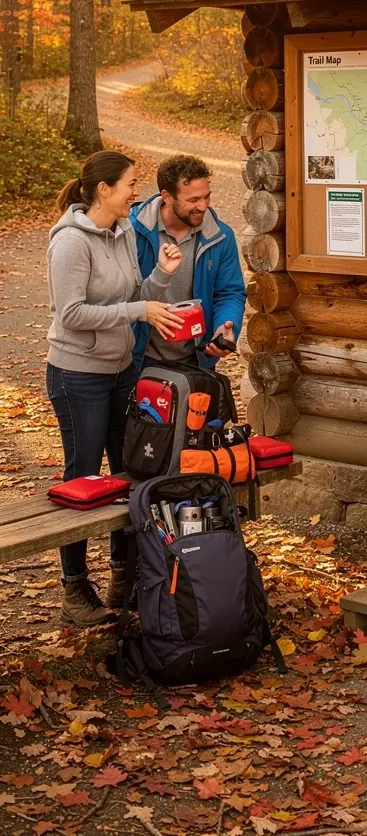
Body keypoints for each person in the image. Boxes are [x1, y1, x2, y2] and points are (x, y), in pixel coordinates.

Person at [47, 152, 183, 627]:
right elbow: (72, 314)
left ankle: (124, 577)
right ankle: (74, 589)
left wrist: (160, 276)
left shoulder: (124, 232)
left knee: (129, 472)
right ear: (103, 190)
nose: (135, 191)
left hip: (120, 369)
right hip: (78, 374)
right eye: (129, 183)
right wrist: (138, 311)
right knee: (83, 481)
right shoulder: (70, 243)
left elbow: (130, 297)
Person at [130, 155, 246, 371]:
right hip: (137, 359)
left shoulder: (221, 236)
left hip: (197, 360)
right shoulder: (132, 230)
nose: (202, 206)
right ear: (167, 196)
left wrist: (226, 326)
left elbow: (230, 293)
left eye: (206, 197)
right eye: (193, 200)